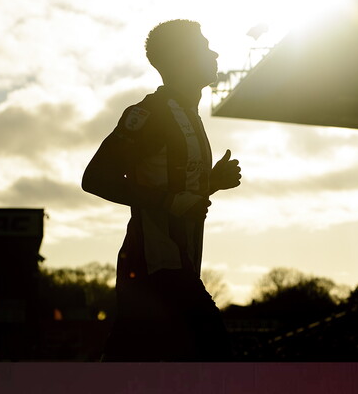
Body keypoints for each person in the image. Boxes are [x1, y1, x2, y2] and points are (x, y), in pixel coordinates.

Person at [82, 19, 241, 361]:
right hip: (155, 269)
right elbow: (95, 178)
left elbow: (178, 190)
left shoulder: (188, 115)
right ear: (181, 59)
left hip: (169, 268)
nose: (213, 53)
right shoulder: (150, 114)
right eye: (203, 47)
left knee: (129, 365)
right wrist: (170, 200)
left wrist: (212, 182)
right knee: (216, 357)